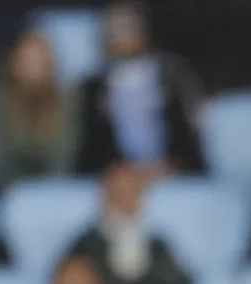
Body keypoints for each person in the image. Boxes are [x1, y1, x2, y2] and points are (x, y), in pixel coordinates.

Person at [73, 2, 204, 174]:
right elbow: (86, 148)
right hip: (116, 178)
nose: (124, 34)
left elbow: (191, 136)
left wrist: (174, 165)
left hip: (172, 174)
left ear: (145, 30)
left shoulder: (173, 76)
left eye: (130, 27)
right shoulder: (91, 88)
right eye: (117, 28)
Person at [68, 162, 193, 284]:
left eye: (132, 193)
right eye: (118, 194)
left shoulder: (157, 244)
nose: (125, 202)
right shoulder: (86, 244)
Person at [0, 30, 79, 191]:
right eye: (27, 60)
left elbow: (64, 156)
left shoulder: (66, 102)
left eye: (39, 60)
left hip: (49, 192)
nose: (33, 68)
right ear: (14, 62)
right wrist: (16, 189)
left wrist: (45, 188)